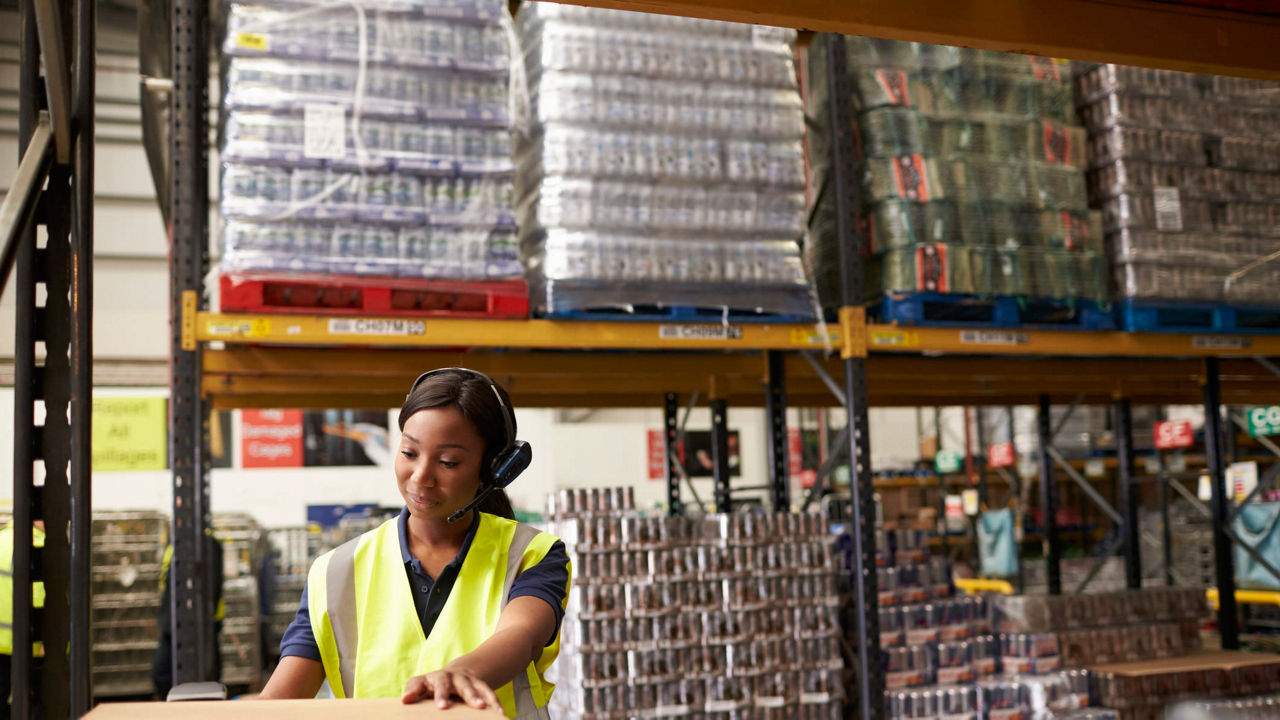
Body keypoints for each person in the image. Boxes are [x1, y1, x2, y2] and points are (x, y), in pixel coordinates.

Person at [260, 368, 571, 718]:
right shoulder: (335, 572)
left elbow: (521, 634)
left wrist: (462, 673)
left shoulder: (532, 554)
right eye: (409, 453)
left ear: (494, 470)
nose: (421, 476)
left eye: (448, 462)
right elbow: (280, 700)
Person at [152, 531, 226, 699]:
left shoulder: (205, 544)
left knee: (202, 676)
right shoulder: (176, 543)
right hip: (173, 623)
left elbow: (210, 590)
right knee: (162, 675)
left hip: (194, 624)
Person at [0, 520, 44, 712]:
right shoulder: (41, 545)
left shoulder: (2, 539)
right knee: (36, 706)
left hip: (2, 643)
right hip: (30, 645)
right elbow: (42, 593)